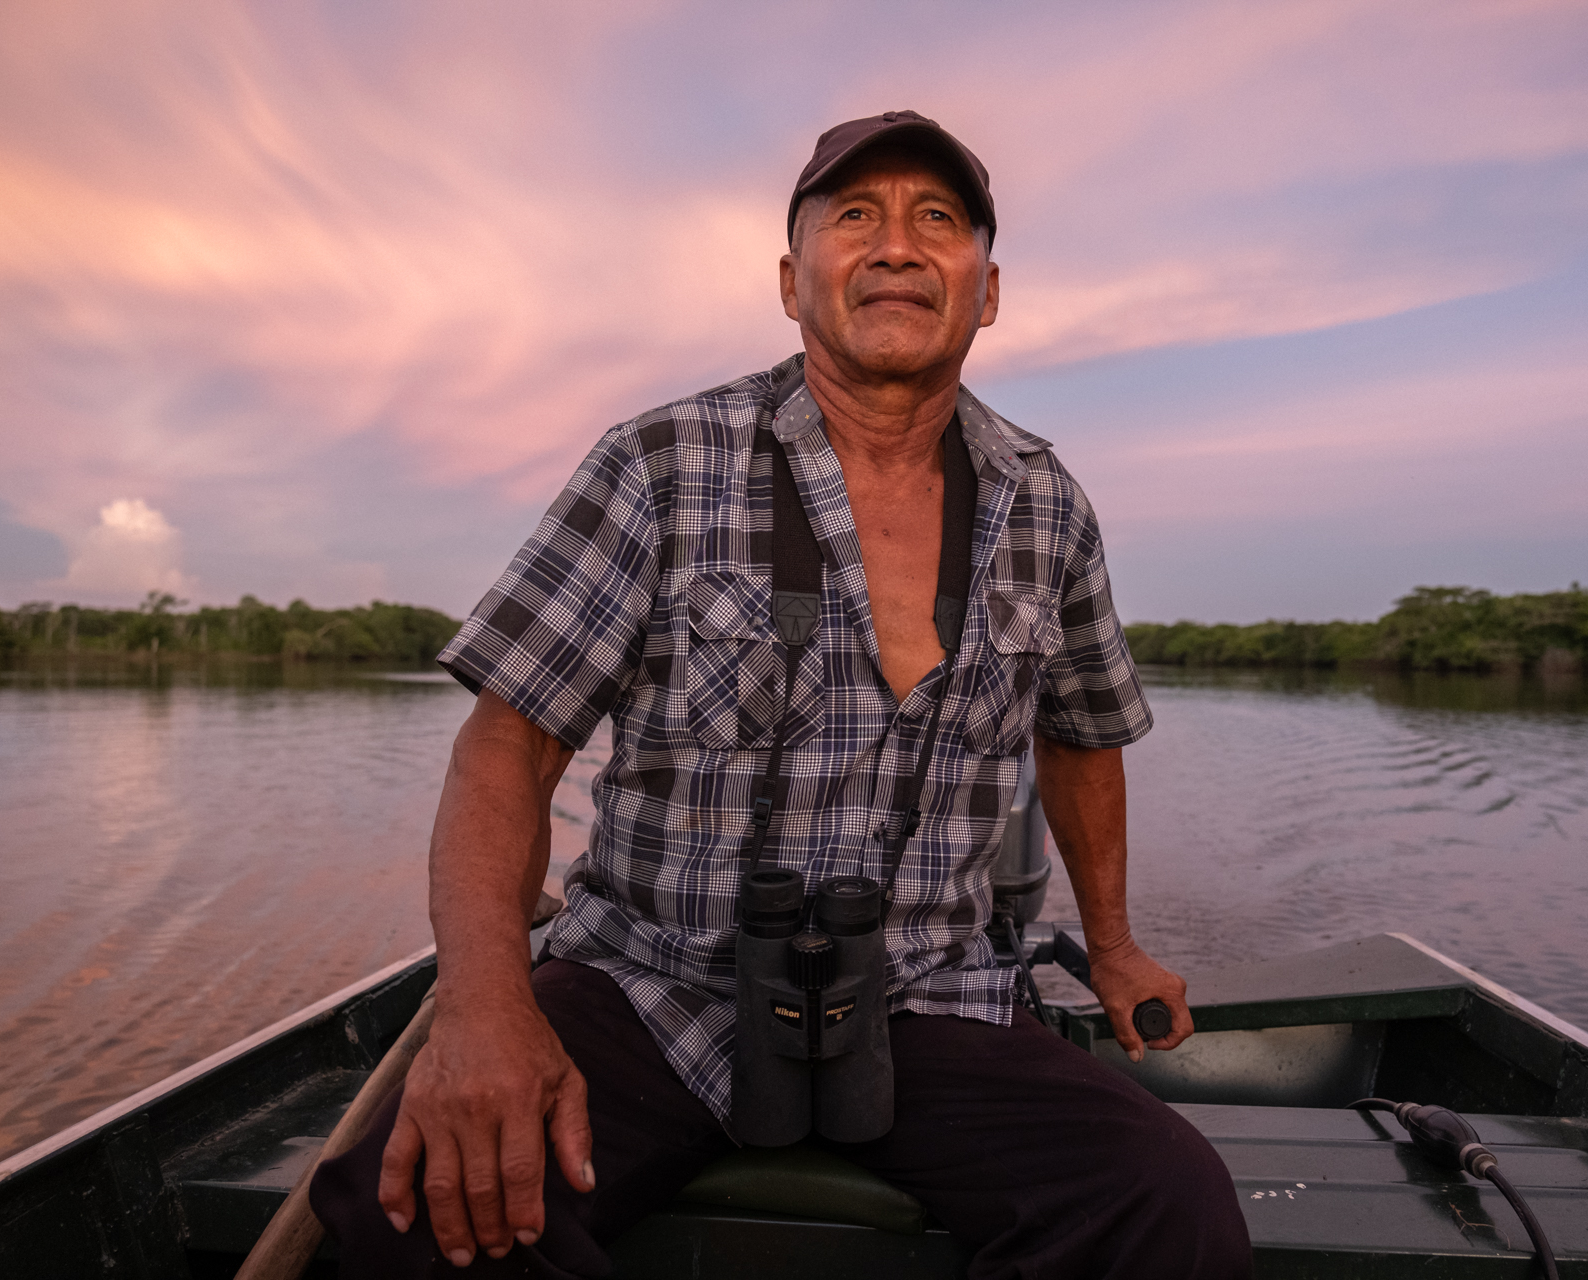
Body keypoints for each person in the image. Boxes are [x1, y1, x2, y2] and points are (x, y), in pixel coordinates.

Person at [311, 110, 1251, 1279]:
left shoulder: (1045, 501)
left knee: (1167, 1202)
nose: (898, 245)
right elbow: (506, 748)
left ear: (989, 288)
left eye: (938, 221)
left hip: (928, 991)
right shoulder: (660, 461)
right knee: (410, 1210)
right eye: (855, 216)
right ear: (790, 281)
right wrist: (487, 1005)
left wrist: (1112, 944)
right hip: (657, 983)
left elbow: (1082, 735)